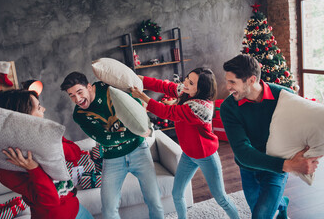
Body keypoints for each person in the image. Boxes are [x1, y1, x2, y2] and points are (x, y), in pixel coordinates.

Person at [221, 54, 322, 219]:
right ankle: (282, 203)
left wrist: (306, 156)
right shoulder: (228, 107)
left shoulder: (284, 96)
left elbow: (303, 129)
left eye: (232, 82)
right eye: (227, 81)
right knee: (256, 208)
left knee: (260, 216)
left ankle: (278, 203)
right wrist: (289, 165)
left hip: (276, 167)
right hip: (249, 167)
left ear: (252, 80)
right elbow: (242, 152)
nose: (227, 87)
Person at [130, 67, 239, 219]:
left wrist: (143, 97)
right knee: (177, 193)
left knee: (221, 198)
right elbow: (164, 86)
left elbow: (168, 113)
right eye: (187, 78)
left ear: (200, 89)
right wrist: (139, 78)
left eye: (191, 82)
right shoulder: (186, 91)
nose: (185, 83)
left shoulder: (201, 108)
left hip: (206, 156)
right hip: (188, 155)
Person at [60, 72, 164, 219]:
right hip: (112, 158)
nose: (77, 99)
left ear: (89, 87)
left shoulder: (107, 87)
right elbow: (105, 139)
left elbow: (134, 104)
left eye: (79, 92)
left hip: (139, 150)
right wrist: (139, 132)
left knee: (155, 200)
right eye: (71, 95)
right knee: (108, 210)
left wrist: (142, 121)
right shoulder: (79, 115)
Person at [0, 89, 93, 219]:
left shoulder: (48, 134)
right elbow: (49, 200)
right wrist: (33, 168)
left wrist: (51, 145)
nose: (43, 109)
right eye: (38, 108)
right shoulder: (6, 167)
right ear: (24, 117)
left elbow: (75, 154)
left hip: (77, 209)